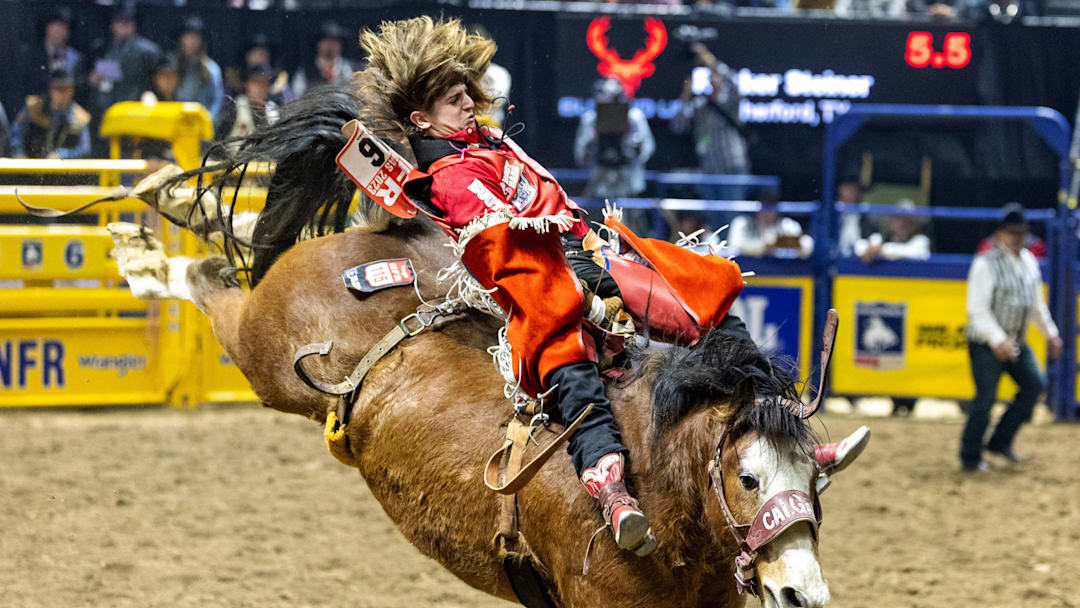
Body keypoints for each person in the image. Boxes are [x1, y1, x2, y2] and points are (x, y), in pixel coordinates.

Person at [353, 17, 867, 559]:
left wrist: (593, 256)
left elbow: (553, 205)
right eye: (454, 99)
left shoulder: (486, 145)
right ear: (421, 120)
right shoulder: (450, 177)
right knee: (569, 363)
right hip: (537, 284)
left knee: (701, 298)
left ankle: (787, 432)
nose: (468, 104)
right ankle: (614, 496)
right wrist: (587, 294)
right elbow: (507, 249)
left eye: (465, 94)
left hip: (585, 255)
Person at [961, 203, 1062, 472]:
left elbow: (1035, 305)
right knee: (985, 399)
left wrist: (1051, 334)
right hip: (985, 344)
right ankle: (970, 455)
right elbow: (977, 310)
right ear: (1000, 233)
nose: (1016, 238)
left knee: (1034, 386)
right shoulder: (985, 264)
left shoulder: (1028, 261)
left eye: (1020, 233)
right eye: (1011, 232)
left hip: (1016, 341)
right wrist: (998, 340)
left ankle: (1000, 441)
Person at [573, 78, 655, 201]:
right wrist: (594, 139)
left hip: (628, 183)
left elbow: (647, 148)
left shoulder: (634, 118)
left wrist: (631, 144)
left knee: (629, 210)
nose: (610, 102)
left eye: (614, 98)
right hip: (599, 184)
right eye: (606, 97)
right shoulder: (590, 119)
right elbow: (580, 156)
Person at [89, 8, 162, 115]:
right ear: (112, 24)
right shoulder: (102, 48)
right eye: (120, 21)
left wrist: (151, 93)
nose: (123, 25)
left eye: (127, 21)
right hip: (106, 107)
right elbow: (90, 80)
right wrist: (92, 79)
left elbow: (160, 79)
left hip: (136, 107)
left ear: (134, 24)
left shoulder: (148, 51)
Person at [10, 69, 91, 160]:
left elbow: (85, 149)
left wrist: (61, 154)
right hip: (29, 163)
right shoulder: (33, 107)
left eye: (68, 89)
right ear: (50, 89)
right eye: (58, 89)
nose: (63, 93)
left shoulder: (80, 117)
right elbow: (16, 135)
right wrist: (19, 154)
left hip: (61, 166)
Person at [20, 8, 83, 104]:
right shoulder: (30, 55)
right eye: (57, 26)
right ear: (47, 28)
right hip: (38, 105)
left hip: (67, 106)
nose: (61, 31)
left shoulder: (75, 57)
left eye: (64, 27)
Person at [173, 17, 225, 122]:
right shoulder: (173, 65)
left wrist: (207, 122)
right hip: (177, 123)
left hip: (201, 125)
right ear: (182, 39)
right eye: (188, 36)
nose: (191, 40)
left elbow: (217, 102)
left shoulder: (211, 69)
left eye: (196, 37)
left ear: (202, 41)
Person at [216, 64, 281, 144]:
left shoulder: (274, 111)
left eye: (263, 84)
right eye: (255, 84)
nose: (259, 89)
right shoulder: (235, 108)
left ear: (268, 87)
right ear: (247, 85)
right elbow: (218, 140)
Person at [853, 199, 931, 264]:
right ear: (891, 222)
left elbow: (911, 251)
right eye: (899, 219)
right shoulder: (879, 239)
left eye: (909, 221)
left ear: (914, 225)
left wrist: (880, 250)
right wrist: (872, 250)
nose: (904, 224)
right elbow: (858, 247)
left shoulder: (921, 241)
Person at [291, 21, 354, 97]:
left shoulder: (351, 70)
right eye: (327, 41)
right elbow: (296, 98)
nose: (331, 45)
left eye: (335, 41)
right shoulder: (305, 72)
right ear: (318, 44)